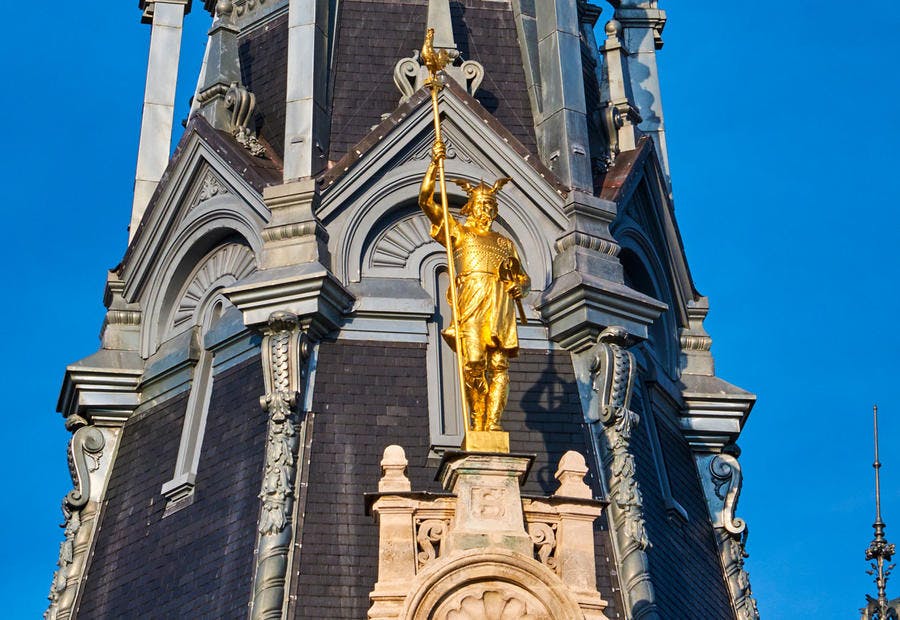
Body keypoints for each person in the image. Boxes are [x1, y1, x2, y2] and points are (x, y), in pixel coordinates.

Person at [418, 140, 530, 432]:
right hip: (472, 301)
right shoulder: (459, 232)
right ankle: (477, 417)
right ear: (470, 208)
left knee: (500, 367)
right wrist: (434, 165)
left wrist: (521, 288)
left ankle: (492, 424)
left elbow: (522, 277)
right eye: (481, 204)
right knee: (472, 365)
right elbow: (426, 202)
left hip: (500, 304)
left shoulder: (505, 243)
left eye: (490, 205)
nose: (486, 209)